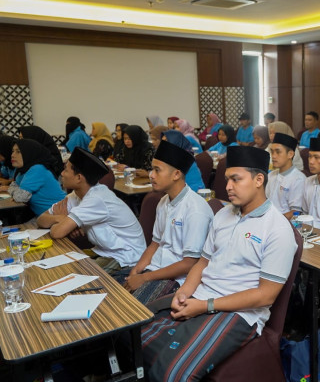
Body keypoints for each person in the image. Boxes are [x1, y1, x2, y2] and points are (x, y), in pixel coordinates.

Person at [141, 146, 297, 381]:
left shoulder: (277, 229)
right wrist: (184, 292)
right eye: (227, 180)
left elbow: (265, 296)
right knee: (137, 335)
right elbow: (201, 263)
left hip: (239, 313)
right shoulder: (223, 215)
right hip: (202, 297)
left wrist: (205, 306)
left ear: (258, 180)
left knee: (171, 374)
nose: (228, 187)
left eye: (236, 179)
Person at [117, 140, 214, 304]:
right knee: (112, 288)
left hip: (176, 279)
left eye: (157, 170)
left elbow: (189, 263)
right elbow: (155, 244)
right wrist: (136, 271)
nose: (151, 175)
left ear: (176, 174)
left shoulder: (195, 210)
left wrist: (145, 278)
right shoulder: (163, 202)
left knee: (128, 307)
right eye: (151, 169)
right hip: (155, 270)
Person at [37, 148, 146, 274]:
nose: (62, 174)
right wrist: (60, 218)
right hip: (102, 251)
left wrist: (64, 223)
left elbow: (57, 232)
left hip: (125, 258)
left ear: (79, 178)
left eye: (66, 170)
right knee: (60, 266)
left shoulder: (96, 199)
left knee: (73, 274)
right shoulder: (76, 195)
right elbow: (41, 219)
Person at [0, 139, 65, 216]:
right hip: (43, 215)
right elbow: (13, 186)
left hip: (58, 216)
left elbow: (20, 197)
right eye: (12, 151)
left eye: (18, 152)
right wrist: (16, 190)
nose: (12, 155)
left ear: (28, 153)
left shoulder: (37, 169)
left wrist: (12, 189)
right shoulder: (22, 171)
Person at [266, 133, 306, 218]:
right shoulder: (271, 175)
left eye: (278, 152)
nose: (273, 156)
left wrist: (273, 221)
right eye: (272, 152)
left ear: (290, 154)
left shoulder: (298, 179)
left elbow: (295, 212)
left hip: (285, 224)